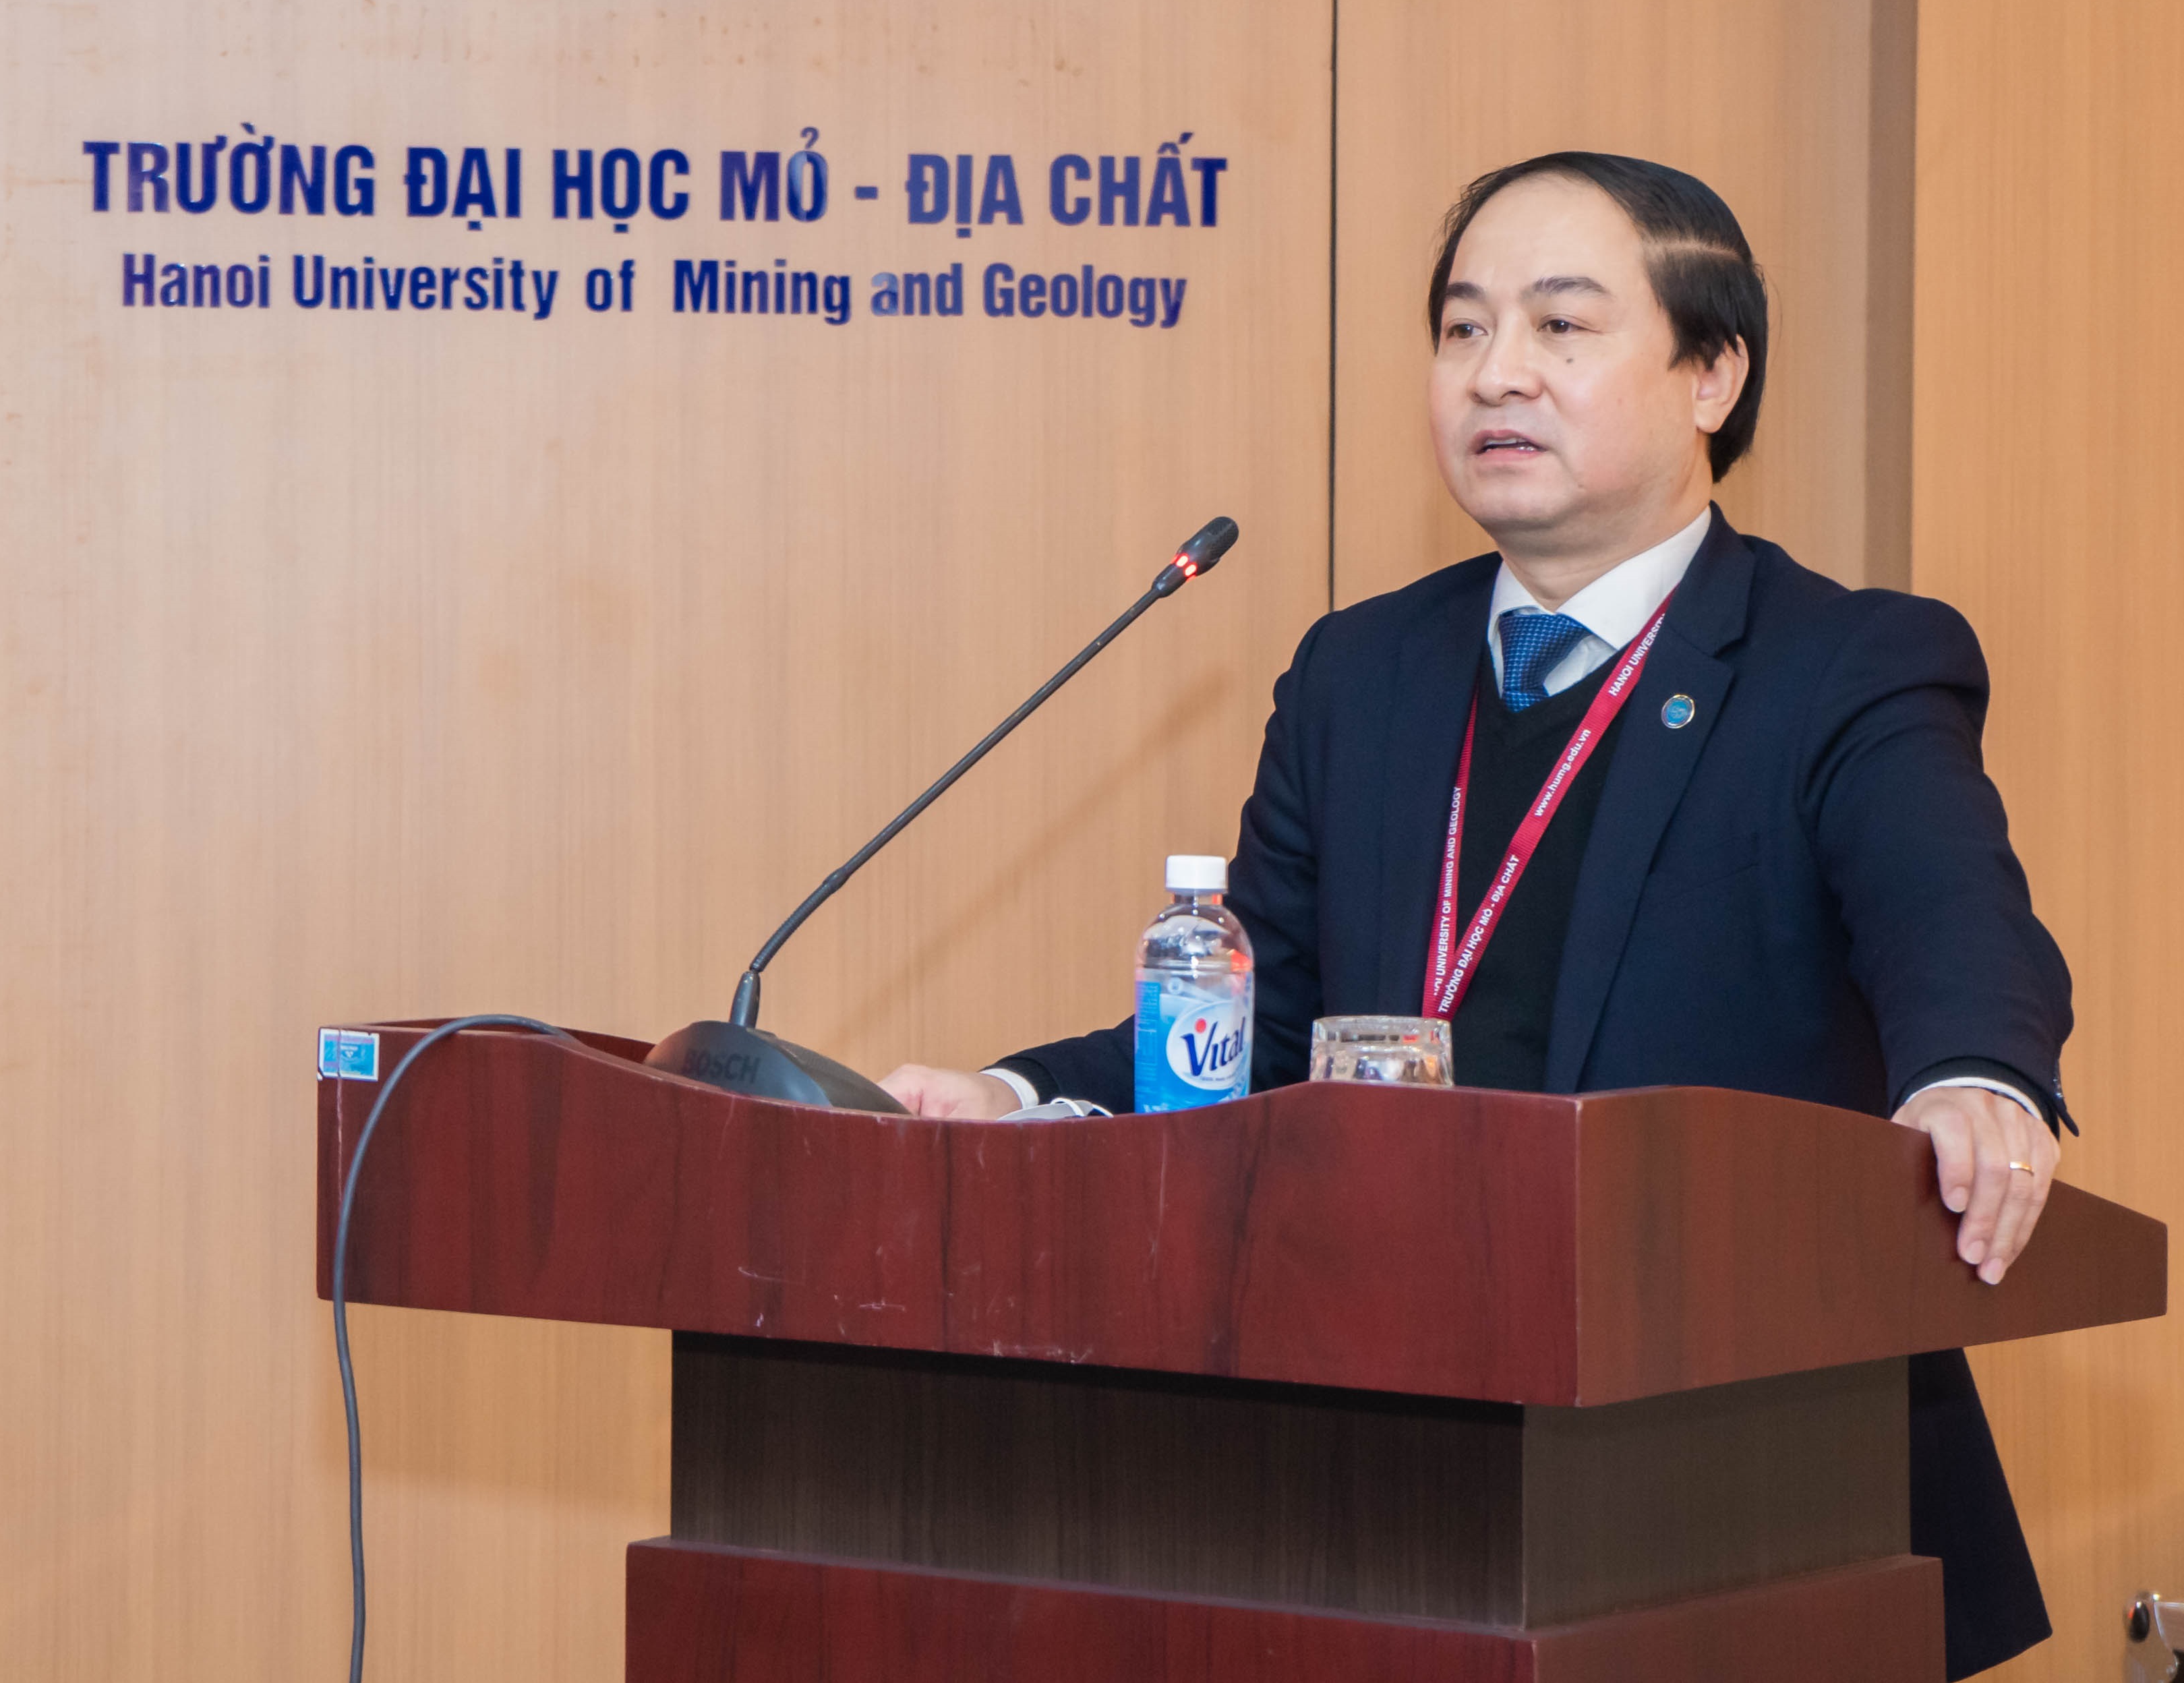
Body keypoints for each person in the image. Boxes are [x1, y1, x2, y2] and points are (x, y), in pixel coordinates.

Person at [883, 152, 2072, 1678]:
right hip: (1383, 1470)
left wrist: (1975, 1074)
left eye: (1560, 326)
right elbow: (1253, 1024)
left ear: (1712, 375)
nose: (1496, 372)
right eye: (1462, 328)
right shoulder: (1359, 673)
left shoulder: (1841, 666)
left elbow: (1955, 921)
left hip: (1750, 1479)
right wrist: (1016, 1099)